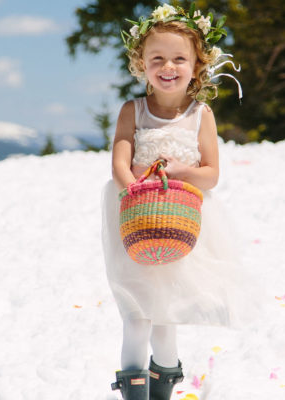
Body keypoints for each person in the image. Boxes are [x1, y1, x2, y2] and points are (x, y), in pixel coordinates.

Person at [101, 4, 258, 399]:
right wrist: (134, 189)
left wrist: (182, 171)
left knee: (165, 315)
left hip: (178, 221)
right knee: (136, 313)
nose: (168, 66)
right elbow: (120, 163)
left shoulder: (200, 114)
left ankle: (164, 387)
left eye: (179, 58)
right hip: (135, 217)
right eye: (157, 58)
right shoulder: (132, 111)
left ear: (196, 64)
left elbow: (211, 174)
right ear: (141, 63)